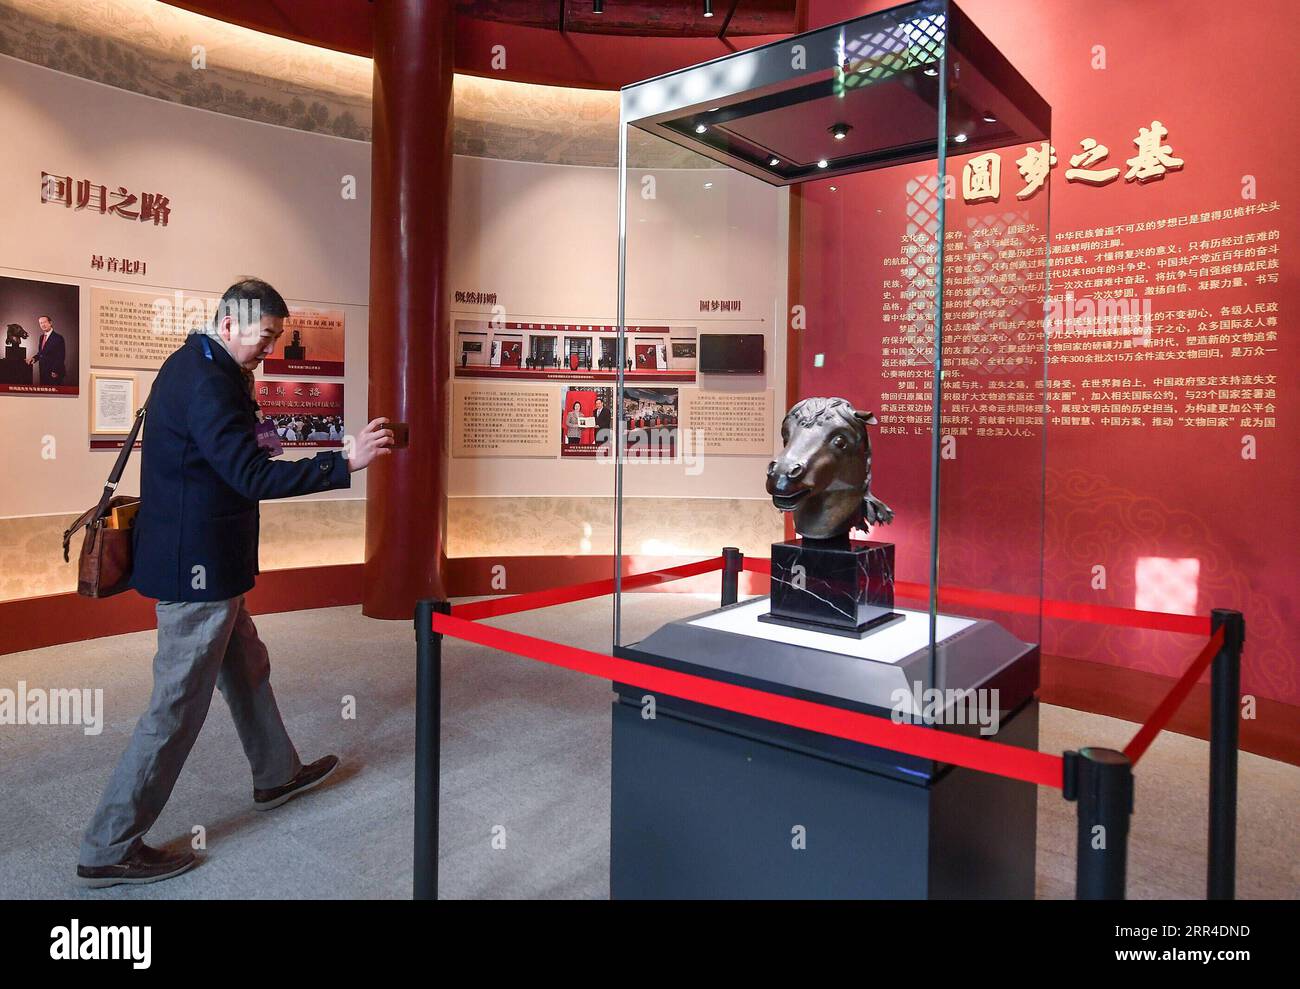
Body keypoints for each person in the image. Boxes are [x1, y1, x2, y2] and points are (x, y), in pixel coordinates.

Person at [76, 277, 394, 889]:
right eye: (265, 338)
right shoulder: (208, 381)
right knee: (175, 706)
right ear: (229, 325)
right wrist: (343, 462)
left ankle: (275, 773)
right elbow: (250, 475)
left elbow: (230, 463)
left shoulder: (197, 365)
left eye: (275, 339)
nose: (269, 351)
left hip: (206, 561)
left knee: (246, 666)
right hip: (197, 572)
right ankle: (107, 844)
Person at [26, 314, 67, 386]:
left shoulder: (58, 338)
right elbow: (41, 353)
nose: (43, 325)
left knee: (54, 395)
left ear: (50, 323)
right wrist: (34, 358)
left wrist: (55, 370)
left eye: (44, 322)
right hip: (43, 371)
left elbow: (61, 356)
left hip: (54, 372)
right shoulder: (41, 337)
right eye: (41, 323)